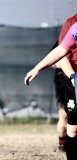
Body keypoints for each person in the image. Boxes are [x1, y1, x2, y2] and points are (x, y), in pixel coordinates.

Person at [24, 22, 77, 159]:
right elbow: (61, 50)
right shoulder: (75, 27)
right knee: (73, 129)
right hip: (74, 83)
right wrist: (37, 68)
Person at [52, 14, 77, 152]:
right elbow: (57, 57)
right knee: (64, 116)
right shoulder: (71, 31)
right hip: (65, 82)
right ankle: (63, 144)